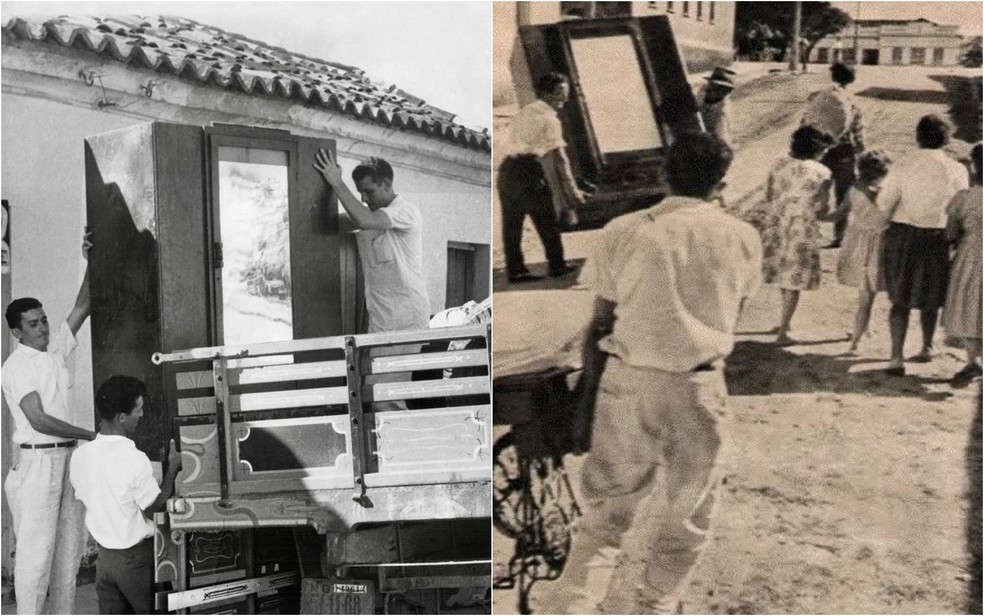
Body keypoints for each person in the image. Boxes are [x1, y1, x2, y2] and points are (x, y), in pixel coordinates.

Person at [536, 133, 762, 614]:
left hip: (628, 384)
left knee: (607, 516)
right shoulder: (743, 236)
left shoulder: (625, 230)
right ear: (722, 182)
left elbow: (601, 324)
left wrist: (584, 404)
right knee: (690, 516)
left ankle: (571, 607)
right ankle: (657, 605)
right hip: (701, 387)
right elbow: (733, 315)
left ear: (664, 174)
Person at [2, 234, 94, 615]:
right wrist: (90, 434)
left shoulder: (54, 347)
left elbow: (85, 304)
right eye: (34, 324)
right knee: (35, 558)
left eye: (43, 320)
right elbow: (38, 419)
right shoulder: (14, 367)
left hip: (68, 462)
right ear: (16, 332)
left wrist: (90, 258)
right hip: (37, 465)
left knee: (68, 553)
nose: (43, 328)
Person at [69, 376, 183, 614]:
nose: (141, 416)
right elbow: (154, 508)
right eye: (138, 410)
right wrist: (172, 471)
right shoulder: (133, 458)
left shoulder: (80, 455)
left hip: (105, 561)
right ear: (122, 417)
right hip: (136, 560)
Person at [879, 115, 969, 376]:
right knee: (931, 295)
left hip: (904, 233)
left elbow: (886, 203)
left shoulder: (903, 165)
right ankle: (927, 346)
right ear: (947, 139)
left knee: (900, 296)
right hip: (938, 236)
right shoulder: (957, 169)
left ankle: (896, 357)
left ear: (918, 137)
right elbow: (958, 208)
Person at [313, 152, 430, 333]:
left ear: (387, 184)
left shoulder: (407, 211)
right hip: (380, 319)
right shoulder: (370, 214)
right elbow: (330, 223)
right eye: (360, 193)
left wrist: (336, 182)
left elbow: (364, 220)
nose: (364, 199)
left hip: (407, 321)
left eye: (369, 192)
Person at [498, 72, 585, 283]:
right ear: (547, 94)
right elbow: (560, 158)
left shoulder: (525, 112)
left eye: (565, 93)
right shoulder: (549, 119)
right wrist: (572, 190)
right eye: (560, 93)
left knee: (511, 222)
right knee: (546, 219)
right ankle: (557, 265)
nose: (564, 98)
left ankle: (516, 270)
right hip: (528, 170)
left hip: (506, 171)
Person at [761, 126, 836, 345]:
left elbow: (768, 194)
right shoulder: (822, 173)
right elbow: (823, 209)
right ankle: (783, 332)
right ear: (818, 150)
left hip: (777, 222)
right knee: (794, 278)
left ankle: (784, 321)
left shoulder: (778, 164)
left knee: (783, 273)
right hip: (801, 228)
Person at [801, 61, 865, 248]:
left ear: (832, 76)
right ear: (851, 79)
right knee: (843, 193)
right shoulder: (851, 102)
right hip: (844, 152)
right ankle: (840, 235)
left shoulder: (818, 97)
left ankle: (809, 231)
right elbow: (858, 132)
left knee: (814, 190)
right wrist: (860, 154)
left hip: (820, 150)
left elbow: (805, 121)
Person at [835, 150, 893, 354]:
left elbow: (838, 215)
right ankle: (855, 343)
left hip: (857, 243)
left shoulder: (854, 189)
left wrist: (816, 214)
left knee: (865, 292)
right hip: (880, 244)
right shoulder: (888, 192)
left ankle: (862, 330)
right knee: (868, 295)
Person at [941, 142, 982, 386]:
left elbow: (950, 233)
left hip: (971, 254)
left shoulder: (964, 198)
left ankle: (973, 360)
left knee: (967, 305)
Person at [699, 66, 736, 148]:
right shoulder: (707, 95)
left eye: (713, 88)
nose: (708, 89)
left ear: (723, 92)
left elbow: (721, 141)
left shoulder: (721, 113)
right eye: (710, 84)